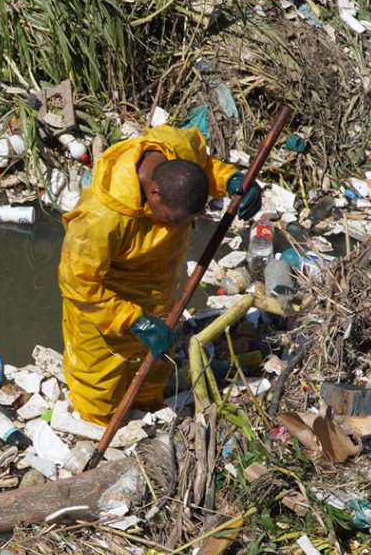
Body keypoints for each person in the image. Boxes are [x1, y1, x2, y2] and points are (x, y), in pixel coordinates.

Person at [58, 123, 262, 425]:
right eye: (172, 219)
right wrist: (135, 321)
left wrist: (231, 179)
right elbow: (79, 284)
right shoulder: (100, 219)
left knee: (155, 370)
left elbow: (203, 169)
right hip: (106, 306)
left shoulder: (177, 149)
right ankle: (98, 425)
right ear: (153, 193)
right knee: (98, 389)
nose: (178, 228)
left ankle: (148, 411)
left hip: (159, 289)